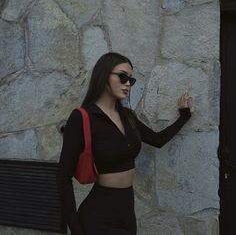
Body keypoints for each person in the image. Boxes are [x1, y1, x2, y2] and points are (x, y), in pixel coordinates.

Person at [56, 52, 194, 235]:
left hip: (127, 212)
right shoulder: (82, 117)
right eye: (122, 77)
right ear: (104, 75)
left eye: (131, 79)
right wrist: (75, 228)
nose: (128, 83)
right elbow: (63, 177)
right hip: (98, 215)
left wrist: (184, 116)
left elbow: (158, 140)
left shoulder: (128, 117)